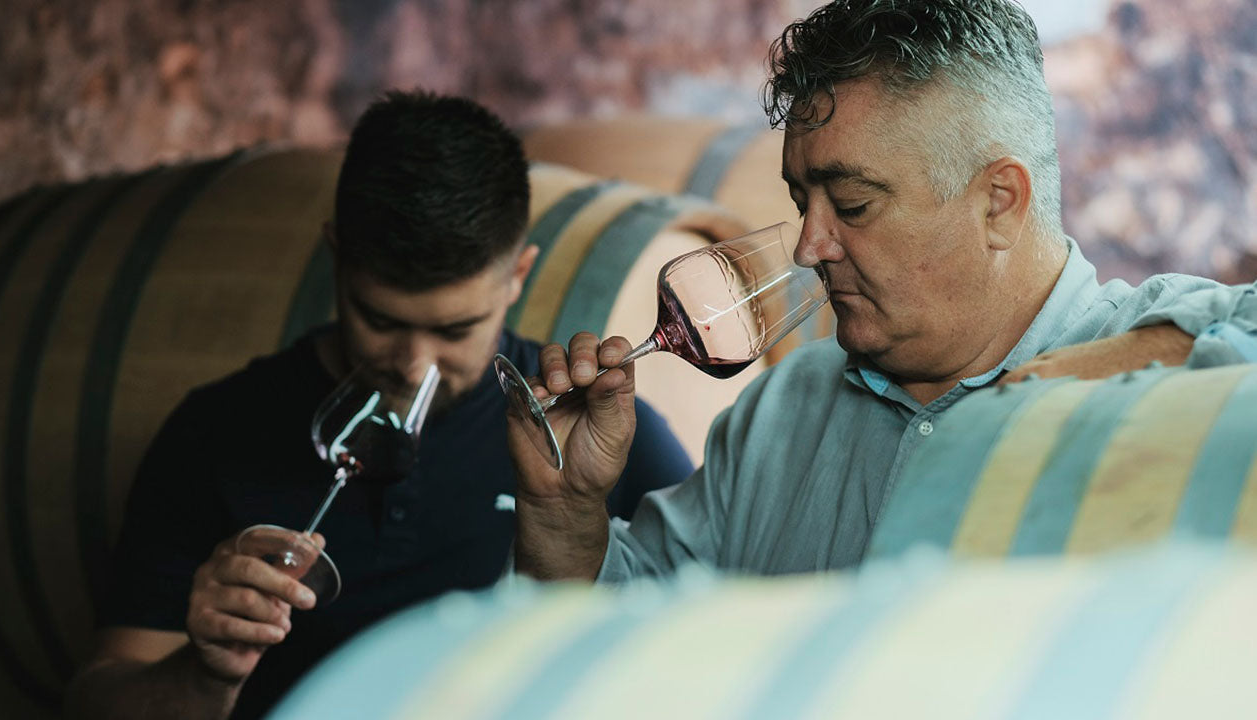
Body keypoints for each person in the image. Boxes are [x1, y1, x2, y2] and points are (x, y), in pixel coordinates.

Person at [506, 0, 1257, 582]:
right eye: (802, 202)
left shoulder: (1165, 360)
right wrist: (566, 517)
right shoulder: (782, 411)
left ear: (999, 203)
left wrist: (1088, 375)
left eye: (854, 204)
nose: (808, 248)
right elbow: (638, 644)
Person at [66, 91, 692, 720]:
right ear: (337, 256)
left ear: (518, 276)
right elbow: (98, 701)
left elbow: (714, 654)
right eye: (381, 320)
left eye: (454, 330)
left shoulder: (589, 435)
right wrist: (206, 674)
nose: (414, 365)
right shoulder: (217, 431)